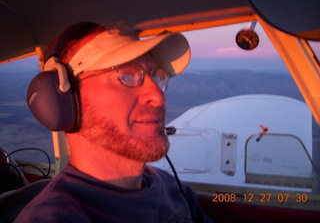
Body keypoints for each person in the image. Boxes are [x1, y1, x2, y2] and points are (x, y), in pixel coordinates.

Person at [14, 22, 212, 222]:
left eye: (155, 75)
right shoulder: (55, 218)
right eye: (126, 75)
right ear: (66, 101)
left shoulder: (174, 188)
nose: (158, 96)